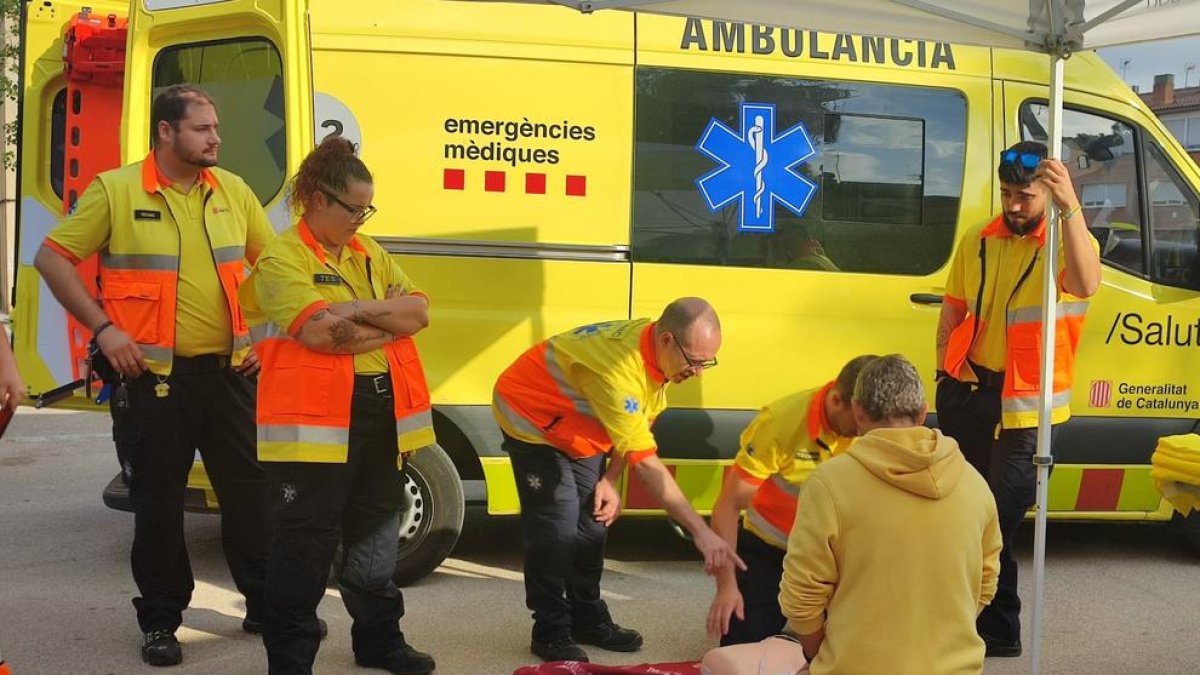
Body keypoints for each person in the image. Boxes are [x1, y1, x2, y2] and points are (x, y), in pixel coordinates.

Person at [34, 84, 275, 667]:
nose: (216, 138)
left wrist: (267, 337)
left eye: (216, 127)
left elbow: (275, 269)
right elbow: (51, 257)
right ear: (166, 132)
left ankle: (268, 606)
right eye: (203, 128)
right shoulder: (116, 191)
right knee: (158, 505)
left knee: (252, 497)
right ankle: (163, 621)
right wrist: (104, 329)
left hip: (229, 375)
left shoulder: (233, 191)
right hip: (153, 381)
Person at [239, 135, 436, 675]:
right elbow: (323, 336)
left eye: (367, 208)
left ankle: (379, 642)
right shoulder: (283, 258)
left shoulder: (368, 253)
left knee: (377, 532)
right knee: (305, 545)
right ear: (317, 200)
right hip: (314, 421)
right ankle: (291, 659)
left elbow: (419, 312)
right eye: (354, 208)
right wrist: (384, 325)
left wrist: (356, 308)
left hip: (380, 410)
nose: (362, 219)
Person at [493, 299, 746, 663]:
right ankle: (550, 630)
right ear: (667, 341)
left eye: (707, 362)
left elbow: (637, 428)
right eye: (694, 362)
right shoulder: (618, 369)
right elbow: (649, 466)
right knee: (557, 526)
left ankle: (587, 617)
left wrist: (610, 480)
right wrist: (700, 531)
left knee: (592, 523)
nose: (699, 373)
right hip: (531, 416)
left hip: (579, 426)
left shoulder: (657, 352)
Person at [935, 140, 1100, 657]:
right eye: (1007, 193)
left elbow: (1087, 281)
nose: (1013, 205)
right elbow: (952, 311)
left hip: (1026, 412)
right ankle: (990, 629)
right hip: (969, 394)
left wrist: (1069, 204)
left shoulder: (1064, 241)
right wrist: (944, 374)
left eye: (1025, 195)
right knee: (961, 512)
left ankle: (994, 623)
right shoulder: (980, 238)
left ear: (1048, 191)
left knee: (994, 519)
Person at [779, 355, 1002, 675]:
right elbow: (986, 581)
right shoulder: (974, 484)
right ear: (924, 411)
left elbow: (801, 596)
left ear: (857, 410)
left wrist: (819, 653)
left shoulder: (830, 484)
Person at [705, 355, 875, 645]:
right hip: (772, 551)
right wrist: (727, 586)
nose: (863, 431)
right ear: (837, 400)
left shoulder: (873, 422)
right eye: (857, 422)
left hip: (837, 560)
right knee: (740, 646)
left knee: (860, 650)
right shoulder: (781, 422)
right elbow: (729, 505)